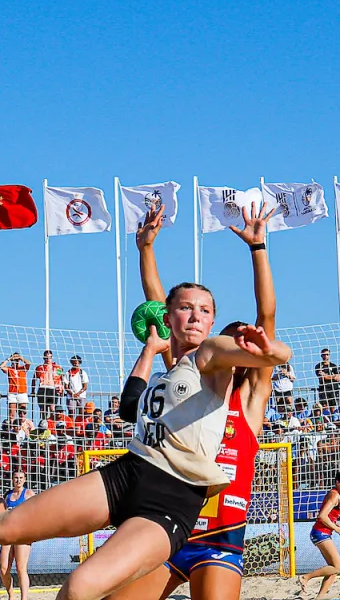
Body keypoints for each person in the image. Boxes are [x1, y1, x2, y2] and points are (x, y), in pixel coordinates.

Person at [0, 240, 291, 600]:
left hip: (187, 516)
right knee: (2, 529)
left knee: (78, 588)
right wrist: (145, 249)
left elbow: (262, 334)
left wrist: (270, 346)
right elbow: (158, 304)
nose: (195, 317)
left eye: (205, 311)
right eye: (185, 309)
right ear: (169, 316)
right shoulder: (177, 371)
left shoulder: (223, 373)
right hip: (131, 473)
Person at [111, 202, 279, 600]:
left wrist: (258, 250)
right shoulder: (189, 377)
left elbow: (267, 317)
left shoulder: (250, 400)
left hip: (218, 540)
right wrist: (145, 250)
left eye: (246, 343)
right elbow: (160, 305)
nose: (241, 346)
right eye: (232, 340)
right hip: (164, 526)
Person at [297, 473, 340, 600]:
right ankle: (306, 577)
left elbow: (330, 517)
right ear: (337, 483)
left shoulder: (335, 494)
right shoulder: (335, 495)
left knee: (333, 570)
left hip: (322, 532)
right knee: (338, 567)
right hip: (320, 533)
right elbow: (322, 516)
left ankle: (320, 597)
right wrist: (336, 529)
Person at [0, 472, 34, 600]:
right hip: (8, 534)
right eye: (16, 478)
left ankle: (24, 598)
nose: (18, 480)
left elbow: (36, 511)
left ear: (24, 480)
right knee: (3, 568)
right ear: (12, 479)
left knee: (21, 568)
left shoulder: (29, 494)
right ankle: (11, 595)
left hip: (22, 534)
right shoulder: (8, 495)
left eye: (21, 478)